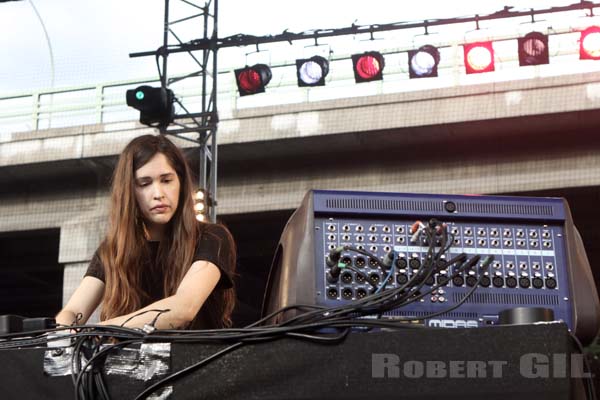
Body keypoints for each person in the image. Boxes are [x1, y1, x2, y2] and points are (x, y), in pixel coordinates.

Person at [55, 134, 236, 330]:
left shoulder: (212, 237)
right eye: (145, 183)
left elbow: (184, 308)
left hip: (200, 360)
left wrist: (101, 330)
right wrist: (64, 330)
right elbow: (72, 311)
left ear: (181, 183)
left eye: (166, 180)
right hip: (128, 361)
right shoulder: (113, 250)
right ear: (130, 191)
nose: (158, 194)